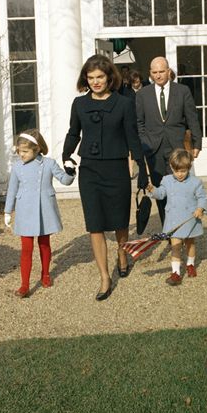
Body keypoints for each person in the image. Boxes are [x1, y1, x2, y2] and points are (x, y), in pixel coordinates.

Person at [63, 54, 147, 301]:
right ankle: (104, 277)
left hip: (116, 169)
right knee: (95, 224)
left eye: (100, 77)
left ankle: (122, 253)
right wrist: (66, 155)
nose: (95, 82)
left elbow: (132, 136)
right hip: (89, 171)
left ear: (110, 78)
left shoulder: (123, 104)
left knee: (120, 220)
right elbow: (73, 133)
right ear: (85, 79)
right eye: (91, 78)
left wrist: (142, 167)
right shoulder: (78, 105)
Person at [3, 128, 74, 298]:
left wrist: (70, 171)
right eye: (19, 151)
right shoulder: (17, 167)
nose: (21, 155)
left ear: (37, 149)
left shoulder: (49, 164)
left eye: (25, 151)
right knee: (26, 249)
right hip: (25, 211)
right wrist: (7, 211)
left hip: (44, 210)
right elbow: (12, 190)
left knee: (44, 245)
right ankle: (25, 285)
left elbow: (64, 180)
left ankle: (46, 275)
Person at [135, 56, 202, 229]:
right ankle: (169, 228)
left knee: (181, 189)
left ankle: (183, 227)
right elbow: (139, 123)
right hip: (153, 149)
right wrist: (144, 143)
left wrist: (197, 143)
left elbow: (192, 118)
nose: (158, 76)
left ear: (169, 71)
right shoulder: (143, 94)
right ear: (150, 73)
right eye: (154, 72)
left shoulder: (183, 91)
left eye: (161, 72)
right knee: (160, 190)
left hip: (177, 147)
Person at [146, 148, 207, 285]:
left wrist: (200, 208)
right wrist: (153, 190)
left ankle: (190, 264)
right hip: (174, 220)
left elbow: (202, 197)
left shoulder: (195, 182)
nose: (179, 174)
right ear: (171, 167)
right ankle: (175, 273)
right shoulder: (167, 180)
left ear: (189, 168)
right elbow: (161, 194)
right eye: (176, 171)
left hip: (189, 219)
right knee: (175, 246)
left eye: (183, 171)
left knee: (190, 244)